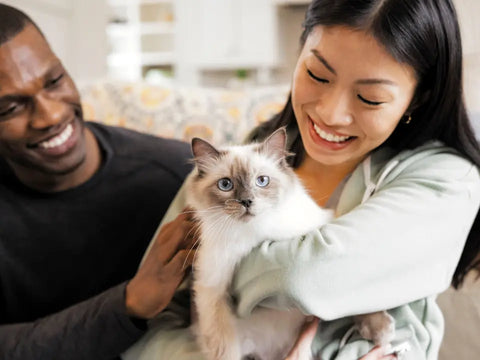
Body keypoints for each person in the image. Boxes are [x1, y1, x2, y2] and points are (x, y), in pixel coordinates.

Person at [124, 0, 480, 359]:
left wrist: (220, 266)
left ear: (418, 99)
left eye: (369, 98)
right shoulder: (240, 158)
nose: (331, 114)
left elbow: (304, 277)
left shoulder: (448, 179)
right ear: (300, 52)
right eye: (318, 75)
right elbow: (155, 312)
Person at [0, 4, 197, 360]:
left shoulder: (179, 178)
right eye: (10, 108)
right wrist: (128, 305)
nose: (52, 114)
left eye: (55, 80)